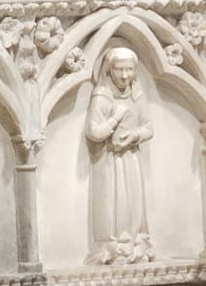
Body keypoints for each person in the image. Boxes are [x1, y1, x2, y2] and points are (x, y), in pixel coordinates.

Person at [86, 47, 154, 264]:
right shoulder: (102, 96)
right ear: (109, 70)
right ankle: (114, 245)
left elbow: (149, 127)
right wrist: (115, 119)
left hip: (131, 157)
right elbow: (94, 132)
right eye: (119, 69)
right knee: (116, 202)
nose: (125, 75)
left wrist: (134, 135)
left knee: (134, 200)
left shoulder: (137, 94)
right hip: (109, 161)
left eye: (129, 70)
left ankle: (135, 241)